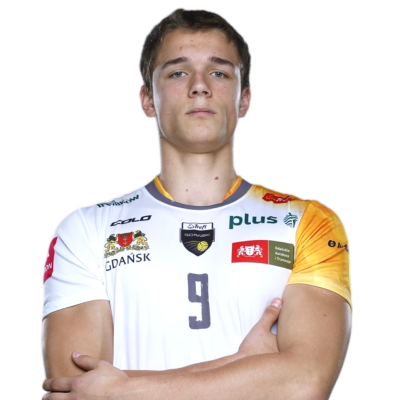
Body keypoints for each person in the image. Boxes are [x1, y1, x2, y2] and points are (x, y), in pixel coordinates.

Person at [40, 7, 353, 400]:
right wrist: (243, 368)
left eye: (219, 72)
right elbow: (73, 391)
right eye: (177, 72)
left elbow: (305, 382)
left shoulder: (309, 220)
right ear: (146, 100)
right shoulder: (85, 228)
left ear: (245, 100)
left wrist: (121, 390)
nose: (200, 86)